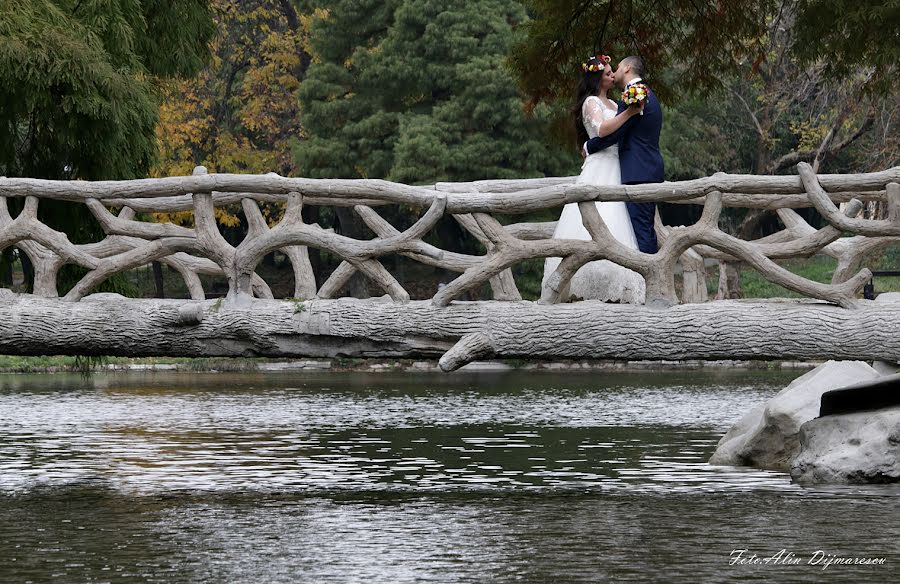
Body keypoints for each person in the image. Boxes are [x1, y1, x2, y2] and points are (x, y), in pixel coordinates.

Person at [541, 54, 646, 304]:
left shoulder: (613, 103)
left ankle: (618, 285)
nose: (612, 75)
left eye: (613, 71)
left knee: (618, 220)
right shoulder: (591, 103)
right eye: (608, 72)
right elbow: (601, 130)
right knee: (594, 219)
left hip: (617, 166)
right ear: (597, 77)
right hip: (600, 167)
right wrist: (630, 113)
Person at [583, 55, 664, 254]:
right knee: (640, 229)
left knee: (642, 231)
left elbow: (616, 133)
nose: (614, 72)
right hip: (641, 168)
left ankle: (649, 279)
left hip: (638, 170)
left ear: (627, 68)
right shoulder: (643, 93)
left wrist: (589, 146)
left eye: (617, 68)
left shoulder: (636, 94)